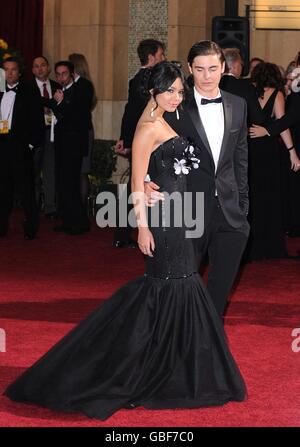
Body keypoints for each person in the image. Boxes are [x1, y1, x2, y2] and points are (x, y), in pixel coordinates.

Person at [4, 62, 246, 421]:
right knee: (173, 286)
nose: (177, 96)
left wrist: (154, 180)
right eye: (170, 91)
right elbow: (135, 182)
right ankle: (160, 368)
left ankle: (171, 364)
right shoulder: (147, 127)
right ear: (154, 92)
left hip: (183, 216)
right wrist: (143, 227)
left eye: (180, 90)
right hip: (164, 223)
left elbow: (168, 169)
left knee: (172, 288)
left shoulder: (171, 116)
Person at [147, 41, 250, 317]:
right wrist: (146, 179)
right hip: (187, 210)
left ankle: (209, 344)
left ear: (224, 68)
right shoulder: (175, 104)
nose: (207, 76)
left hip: (230, 213)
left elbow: (240, 159)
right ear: (190, 69)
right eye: (200, 69)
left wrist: (243, 206)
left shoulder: (238, 105)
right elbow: (150, 143)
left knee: (220, 291)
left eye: (213, 68)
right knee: (181, 286)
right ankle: (178, 342)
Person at [113, 39, 165, 248]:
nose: (163, 58)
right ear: (151, 57)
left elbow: (129, 112)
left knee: (137, 184)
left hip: (140, 140)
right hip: (148, 143)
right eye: (161, 54)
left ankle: (122, 234)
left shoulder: (136, 79)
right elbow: (137, 113)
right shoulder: (148, 80)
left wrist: (125, 138)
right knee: (140, 185)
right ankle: (126, 233)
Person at [245, 62, 299, 261]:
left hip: (249, 148)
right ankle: (270, 246)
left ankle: (251, 245)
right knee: (270, 196)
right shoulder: (277, 94)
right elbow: (283, 124)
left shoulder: (248, 92)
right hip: (268, 150)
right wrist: (292, 151)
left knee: (252, 195)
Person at [0, 57, 43, 239]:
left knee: (26, 190)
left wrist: (31, 144)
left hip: (20, 147)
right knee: (2, 190)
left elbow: (37, 120)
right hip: (1, 147)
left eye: (13, 70)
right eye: (6, 70)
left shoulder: (29, 91)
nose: (9, 73)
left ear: (19, 72)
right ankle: (1, 227)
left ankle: (31, 227)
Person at [47, 61, 91, 235]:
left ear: (72, 73)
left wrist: (61, 102)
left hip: (73, 145)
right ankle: (67, 221)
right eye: (58, 74)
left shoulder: (81, 89)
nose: (60, 77)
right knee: (63, 184)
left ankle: (79, 223)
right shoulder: (61, 91)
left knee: (72, 184)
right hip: (61, 144)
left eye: (64, 74)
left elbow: (77, 116)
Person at [30, 56, 60, 219]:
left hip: (52, 134)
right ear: (32, 70)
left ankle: (50, 207)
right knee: (33, 173)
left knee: (50, 172)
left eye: (43, 65)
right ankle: (33, 207)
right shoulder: (27, 88)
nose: (40, 69)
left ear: (48, 68)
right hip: (34, 135)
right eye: (36, 66)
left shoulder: (56, 86)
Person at [68, 53, 97, 212]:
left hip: (83, 132)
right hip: (80, 132)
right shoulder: (80, 85)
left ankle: (81, 208)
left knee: (82, 171)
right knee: (79, 172)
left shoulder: (84, 86)